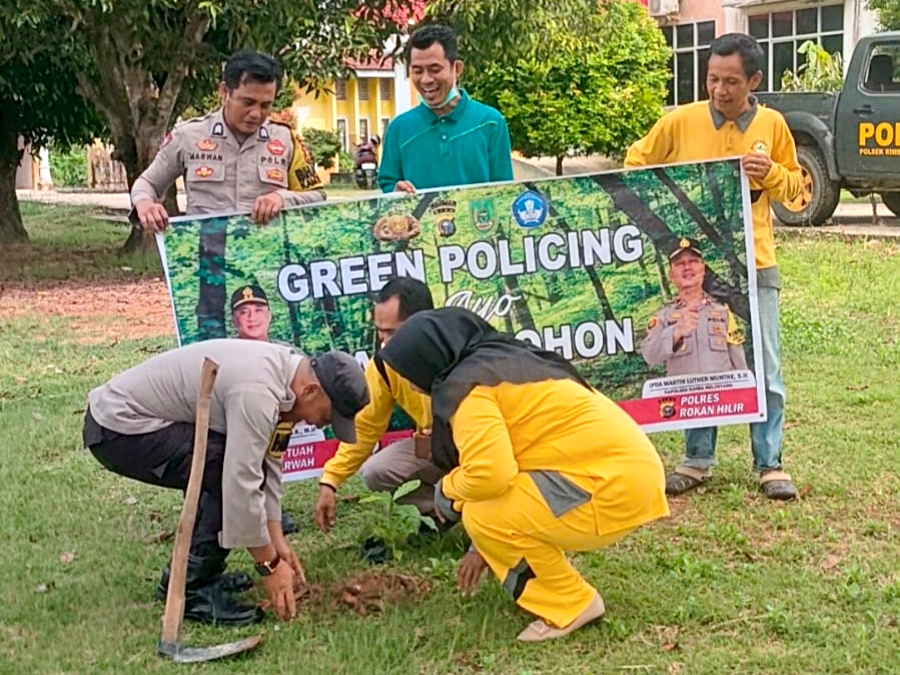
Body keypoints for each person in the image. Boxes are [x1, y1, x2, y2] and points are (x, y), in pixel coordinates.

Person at [379, 308, 669, 642]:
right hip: (624, 473)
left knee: (480, 514)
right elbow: (510, 460)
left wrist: (446, 491)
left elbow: (490, 474)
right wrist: (480, 549)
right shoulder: (503, 362)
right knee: (488, 510)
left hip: (608, 486)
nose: (412, 385)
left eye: (410, 370)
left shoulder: (468, 391)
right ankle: (549, 583)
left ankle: (571, 604)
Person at [624, 33, 802, 501]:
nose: (720, 91)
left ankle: (770, 463)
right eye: (712, 80)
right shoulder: (679, 122)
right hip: (696, 270)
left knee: (764, 366)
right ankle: (695, 460)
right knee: (696, 362)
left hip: (755, 265)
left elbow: (799, 192)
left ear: (754, 81)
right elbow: (634, 165)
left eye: (731, 82)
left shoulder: (773, 125)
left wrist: (773, 174)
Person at [82, 340, 369, 625]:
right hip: (119, 427)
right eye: (328, 415)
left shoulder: (289, 380)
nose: (322, 424)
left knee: (227, 465)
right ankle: (191, 591)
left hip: (141, 420)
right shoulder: (258, 392)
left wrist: (276, 538)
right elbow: (241, 484)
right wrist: (268, 565)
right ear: (311, 390)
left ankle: (201, 576)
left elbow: (269, 460)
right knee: (223, 471)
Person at [131, 49, 326, 232]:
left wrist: (282, 199)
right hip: (207, 258)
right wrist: (145, 203)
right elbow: (147, 183)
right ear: (224, 92)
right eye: (247, 103)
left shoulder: (285, 139)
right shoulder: (188, 136)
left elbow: (317, 197)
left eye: (266, 105)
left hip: (267, 259)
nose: (256, 114)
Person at [314, 277, 438, 534]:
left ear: (423, 323)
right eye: (380, 332)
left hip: (483, 444)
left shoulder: (462, 349)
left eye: (392, 332)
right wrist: (331, 480)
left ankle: (476, 512)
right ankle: (439, 512)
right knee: (376, 472)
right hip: (438, 447)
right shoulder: (384, 365)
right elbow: (365, 427)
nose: (384, 343)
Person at [377, 24, 514, 194]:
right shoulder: (399, 129)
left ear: (456, 69)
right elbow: (388, 186)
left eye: (435, 70)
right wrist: (395, 192)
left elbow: (505, 193)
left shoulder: (490, 123)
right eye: (417, 71)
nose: (426, 80)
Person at [641, 237, 748, 376]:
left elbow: (740, 365)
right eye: (680, 263)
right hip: (681, 396)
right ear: (671, 274)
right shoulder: (662, 317)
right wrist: (676, 332)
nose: (687, 267)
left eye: (693, 261)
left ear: (703, 269)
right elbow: (650, 356)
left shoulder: (723, 312)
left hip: (722, 396)